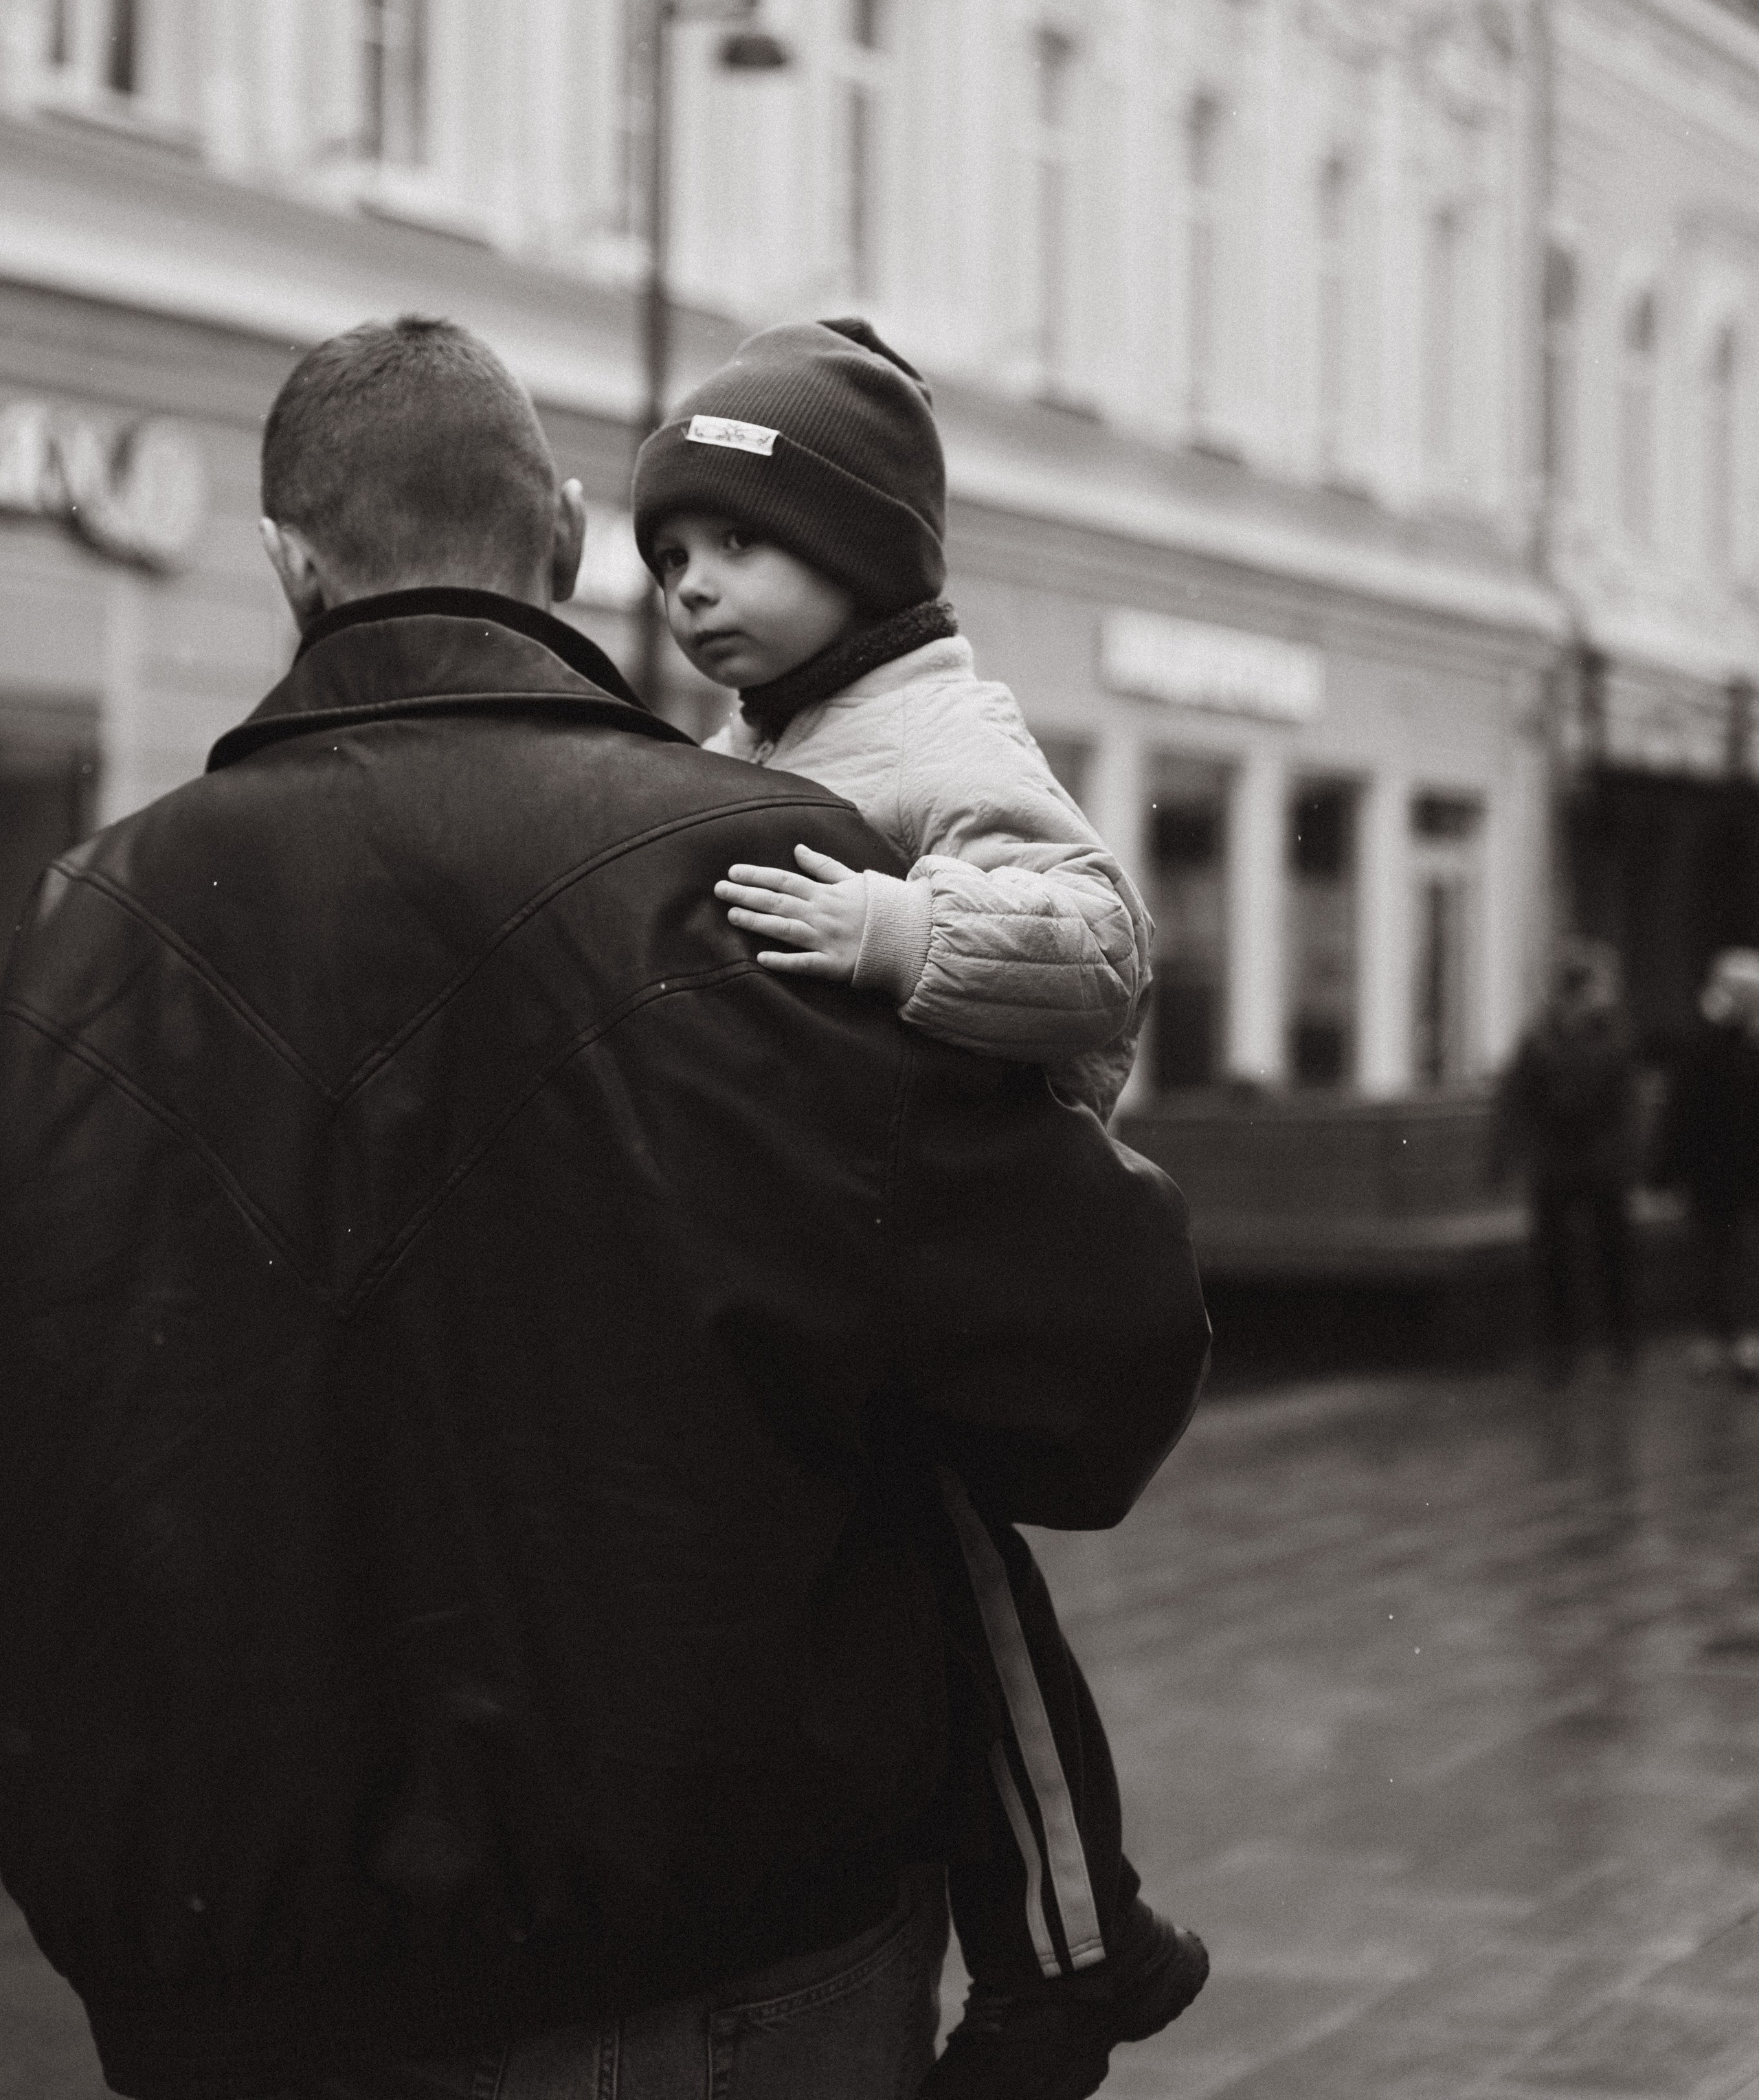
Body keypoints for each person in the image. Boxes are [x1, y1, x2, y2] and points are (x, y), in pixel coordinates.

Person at [0, 317, 1211, 2100]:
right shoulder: (756, 870)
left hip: (226, 1987)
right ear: (565, 541)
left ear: (284, 565)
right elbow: (1099, 1386)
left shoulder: (81, 934)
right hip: (721, 1967)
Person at [631, 317, 1207, 2100]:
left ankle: (1075, 1951)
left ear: (866, 551)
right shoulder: (778, 730)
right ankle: (1075, 1935)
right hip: (863, 1246)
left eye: (740, 544)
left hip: (959, 1248)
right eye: (669, 557)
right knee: (932, 1591)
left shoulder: (937, 727)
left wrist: (906, 933)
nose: (694, 590)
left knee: (966, 1598)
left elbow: (1102, 943)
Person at [1492, 939, 1641, 1382]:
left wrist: (1507, 1155)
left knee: (1595, 1257)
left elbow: (1518, 1100)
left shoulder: (1552, 1038)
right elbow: (1521, 1100)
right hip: (1574, 1163)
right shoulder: (1598, 1035)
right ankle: (1587, 1346)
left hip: (1580, 1162)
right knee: (1573, 1259)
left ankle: (1596, 1345)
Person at [1655, 948, 1759, 1384]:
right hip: (1718, 1171)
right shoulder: (1705, 1044)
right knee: (1717, 1255)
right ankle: (1725, 1336)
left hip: (1741, 1171)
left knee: (1739, 1255)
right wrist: (1665, 1170)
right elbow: (1682, 1110)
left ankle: (1742, 1337)